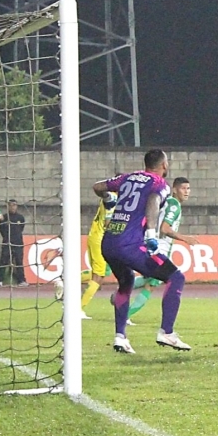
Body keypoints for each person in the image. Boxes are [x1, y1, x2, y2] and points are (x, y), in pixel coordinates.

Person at [96, 149, 190, 354]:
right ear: (164, 165)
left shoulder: (127, 178)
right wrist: (150, 233)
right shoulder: (159, 184)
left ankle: (120, 337)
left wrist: (108, 199)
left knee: (126, 281)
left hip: (109, 243)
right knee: (176, 277)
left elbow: (98, 187)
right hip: (130, 244)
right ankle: (167, 332)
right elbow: (153, 201)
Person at [126, 177, 199, 320]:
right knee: (152, 284)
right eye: (183, 188)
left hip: (153, 245)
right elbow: (165, 228)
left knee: (150, 279)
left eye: (188, 188)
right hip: (160, 249)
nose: (187, 192)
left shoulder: (168, 202)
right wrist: (185, 238)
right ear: (175, 189)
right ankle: (125, 315)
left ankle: (121, 291)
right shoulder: (174, 206)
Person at [80, 192, 117, 319]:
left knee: (101, 273)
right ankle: (78, 308)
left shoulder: (110, 197)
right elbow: (108, 222)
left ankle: (66, 281)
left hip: (95, 236)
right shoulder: (113, 199)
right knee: (99, 275)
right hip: (100, 239)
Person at [0, 199, 27, 287]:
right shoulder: (4, 217)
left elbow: (21, 228)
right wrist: (6, 238)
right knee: (3, 261)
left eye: (14, 205)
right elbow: (1, 230)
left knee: (19, 262)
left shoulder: (20, 217)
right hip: (7, 242)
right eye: (11, 205)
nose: (12, 207)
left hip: (18, 243)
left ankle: (21, 280)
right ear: (8, 206)